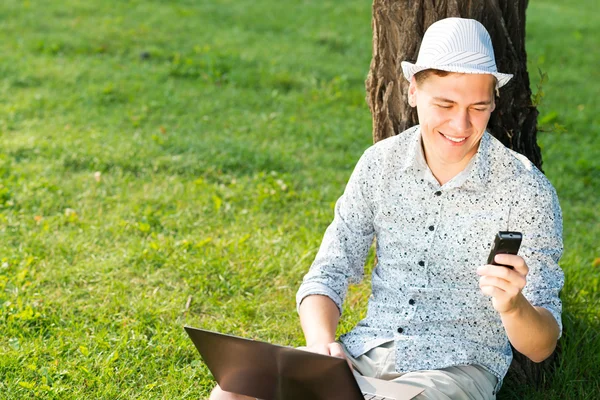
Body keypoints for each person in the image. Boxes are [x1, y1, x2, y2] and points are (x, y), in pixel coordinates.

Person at [210, 17, 564, 400]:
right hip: (363, 353)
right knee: (232, 392)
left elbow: (541, 345)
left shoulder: (525, 189)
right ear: (413, 91)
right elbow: (329, 270)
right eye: (444, 103)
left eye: (478, 107)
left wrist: (513, 306)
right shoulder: (380, 164)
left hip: (453, 370)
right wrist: (319, 346)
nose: (461, 124)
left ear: (493, 102)